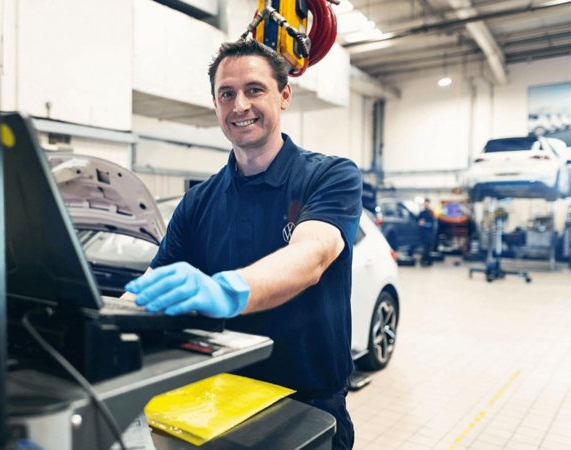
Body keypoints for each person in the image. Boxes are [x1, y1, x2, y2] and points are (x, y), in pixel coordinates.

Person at [124, 39, 362, 450]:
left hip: (308, 408)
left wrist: (225, 289)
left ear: (284, 95)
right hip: (218, 404)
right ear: (215, 104)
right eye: (226, 93)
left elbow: (312, 256)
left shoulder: (329, 176)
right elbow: (153, 284)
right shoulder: (198, 201)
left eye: (254, 89)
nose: (239, 106)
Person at [417, 199, 436, 266]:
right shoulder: (421, 213)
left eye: (426, 203)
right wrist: (420, 223)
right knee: (424, 247)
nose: (425, 204)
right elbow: (417, 221)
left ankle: (427, 261)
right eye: (425, 203)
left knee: (428, 248)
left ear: (428, 203)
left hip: (429, 233)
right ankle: (424, 261)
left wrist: (424, 224)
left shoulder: (431, 212)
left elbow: (432, 224)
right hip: (422, 233)